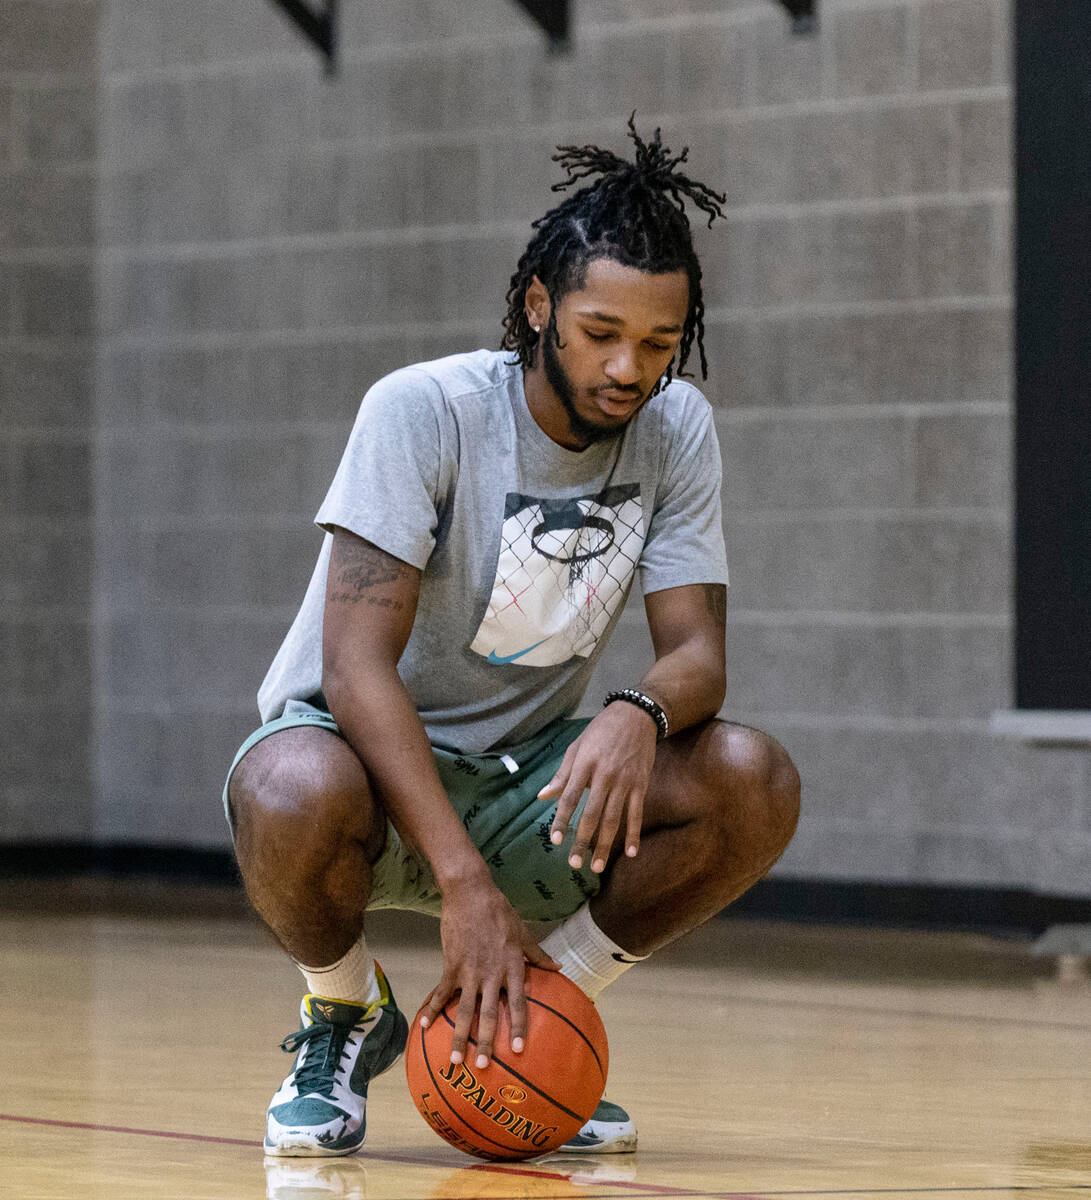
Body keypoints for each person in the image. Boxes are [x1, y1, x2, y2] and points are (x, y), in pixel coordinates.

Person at [224, 117, 801, 1159]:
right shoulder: (424, 411)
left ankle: (544, 1010)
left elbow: (696, 656)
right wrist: (464, 889)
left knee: (748, 776)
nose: (628, 367)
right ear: (538, 307)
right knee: (285, 786)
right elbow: (354, 672)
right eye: (598, 332)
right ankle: (346, 1014)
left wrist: (638, 709)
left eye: (659, 344)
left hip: (518, 783)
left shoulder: (676, 431)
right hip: (362, 771)